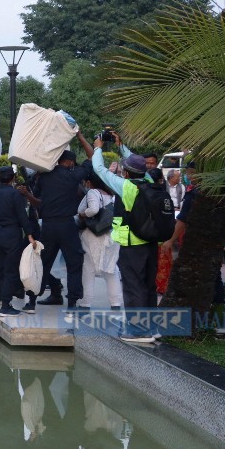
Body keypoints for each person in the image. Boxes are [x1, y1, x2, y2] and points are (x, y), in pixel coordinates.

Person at [90, 139, 164, 341]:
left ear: (126, 172)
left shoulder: (127, 187)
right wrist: (121, 146)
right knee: (149, 285)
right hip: (150, 242)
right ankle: (151, 327)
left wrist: (98, 146)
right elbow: (138, 163)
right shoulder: (149, 180)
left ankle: (138, 331)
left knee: (133, 286)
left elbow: (98, 168)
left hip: (133, 244)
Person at [31, 136, 93, 308]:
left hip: (48, 226)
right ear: (71, 163)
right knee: (74, 263)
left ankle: (32, 299)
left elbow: (37, 199)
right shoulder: (74, 176)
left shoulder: (43, 176)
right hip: (67, 225)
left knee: (43, 262)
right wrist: (80, 136)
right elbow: (92, 156)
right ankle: (72, 302)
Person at [0, 166, 38, 316]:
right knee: (10, 270)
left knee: (1, 270)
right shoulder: (15, 195)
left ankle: (3, 299)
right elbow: (22, 216)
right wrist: (30, 235)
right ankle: (6, 305)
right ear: (13, 178)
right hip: (11, 234)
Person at [78, 172, 122, 309]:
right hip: (111, 235)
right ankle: (116, 303)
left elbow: (94, 210)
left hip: (93, 236)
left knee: (88, 269)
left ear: (90, 182)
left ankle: (86, 303)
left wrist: (82, 214)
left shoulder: (93, 193)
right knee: (110, 270)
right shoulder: (112, 195)